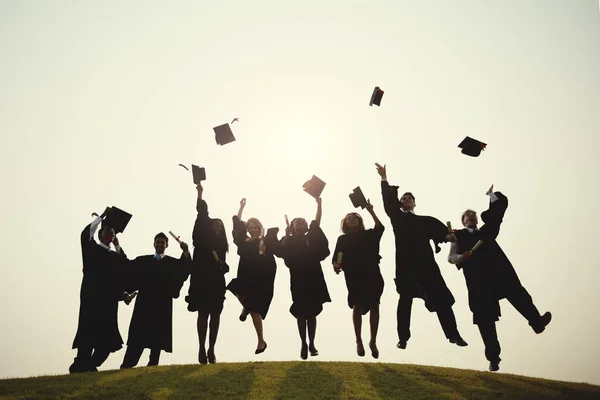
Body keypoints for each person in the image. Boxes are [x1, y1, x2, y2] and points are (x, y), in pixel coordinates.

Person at [448, 185, 552, 372]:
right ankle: (494, 357)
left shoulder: (487, 232)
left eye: (473, 215)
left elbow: (497, 213)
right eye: (467, 216)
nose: (471, 216)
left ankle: (536, 322)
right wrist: (462, 257)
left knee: (517, 293)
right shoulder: (458, 236)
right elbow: (451, 257)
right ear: (463, 222)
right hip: (478, 280)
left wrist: (491, 195)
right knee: (485, 318)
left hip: (498, 272)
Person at [375, 162, 468, 350]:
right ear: (400, 204)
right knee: (405, 300)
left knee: (441, 299)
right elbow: (387, 202)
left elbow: (443, 234)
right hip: (406, 266)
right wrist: (384, 178)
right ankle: (403, 338)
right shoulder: (398, 219)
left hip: (427, 266)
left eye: (409, 198)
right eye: (403, 198)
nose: (406, 200)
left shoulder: (425, 221)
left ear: (414, 203)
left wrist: (447, 236)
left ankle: (453, 334)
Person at [70, 208, 133, 373]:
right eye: (107, 230)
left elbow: (124, 271)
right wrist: (101, 218)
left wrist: (124, 294)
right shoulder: (91, 250)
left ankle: (89, 366)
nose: (110, 233)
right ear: (99, 234)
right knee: (87, 337)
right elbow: (85, 234)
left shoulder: (114, 257)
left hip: (108, 304)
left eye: (112, 232)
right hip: (91, 300)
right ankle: (80, 366)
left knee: (106, 344)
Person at [120, 232, 192, 369]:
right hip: (144, 304)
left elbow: (185, 268)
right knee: (137, 338)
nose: (160, 244)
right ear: (154, 244)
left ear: (167, 245)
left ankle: (153, 367)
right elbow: (127, 265)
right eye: (158, 242)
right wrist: (118, 247)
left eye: (162, 243)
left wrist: (186, 251)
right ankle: (127, 365)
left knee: (157, 339)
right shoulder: (144, 261)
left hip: (161, 305)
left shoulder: (172, 263)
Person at [275, 197, 331, 360]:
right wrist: (286, 236)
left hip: (314, 276)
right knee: (301, 312)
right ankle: (303, 343)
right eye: (297, 222)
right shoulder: (289, 240)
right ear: (292, 226)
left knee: (312, 312)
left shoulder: (311, 236)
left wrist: (319, 204)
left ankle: (312, 343)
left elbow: (317, 222)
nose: (300, 224)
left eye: (302, 222)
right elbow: (280, 252)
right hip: (298, 278)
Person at [332, 201, 385, 359]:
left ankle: (373, 341)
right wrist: (336, 265)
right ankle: (359, 340)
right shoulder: (342, 239)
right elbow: (336, 258)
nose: (352, 219)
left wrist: (371, 211)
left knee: (374, 303)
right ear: (345, 224)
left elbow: (380, 228)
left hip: (372, 272)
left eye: (355, 217)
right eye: (349, 218)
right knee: (357, 304)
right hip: (353, 273)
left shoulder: (369, 234)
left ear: (360, 221)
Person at [185, 183, 230, 364]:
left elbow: (225, 266)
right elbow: (202, 213)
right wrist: (200, 193)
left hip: (216, 280)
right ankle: (201, 348)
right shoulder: (203, 237)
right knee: (203, 313)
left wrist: (222, 264)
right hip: (202, 279)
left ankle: (212, 348)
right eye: (215, 224)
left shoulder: (221, 246)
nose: (218, 226)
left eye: (221, 225)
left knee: (216, 314)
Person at [226, 198, 278, 355]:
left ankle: (261, 341)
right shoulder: (245, 241)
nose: (252, 229)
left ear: (260, 227)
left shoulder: (266, 239)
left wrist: (263, 239)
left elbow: (276, 248)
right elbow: (237, 227)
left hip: (262, 276)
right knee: (235, 286)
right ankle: (246, 306)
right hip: (246, 273)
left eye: (255, 227)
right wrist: (241, 207)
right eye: (250, 227)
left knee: (255, 309)